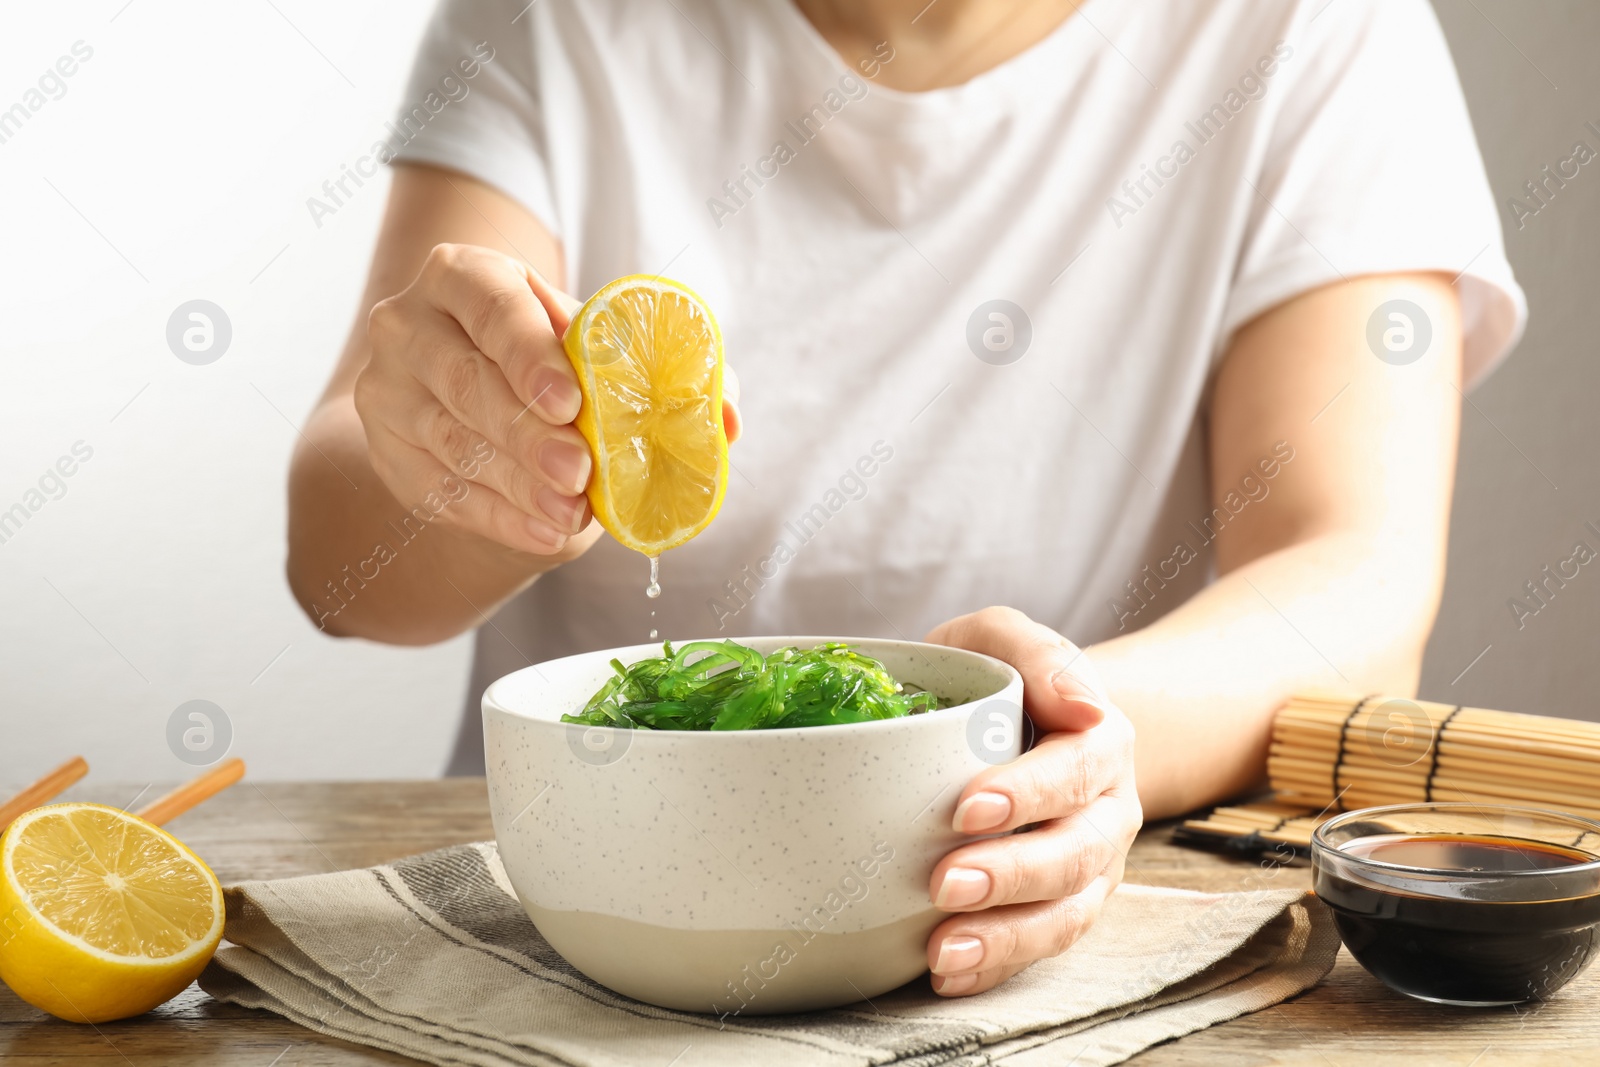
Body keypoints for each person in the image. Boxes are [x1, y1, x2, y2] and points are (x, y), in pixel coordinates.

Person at [286, 0, 1523, 998]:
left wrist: (1058, 727)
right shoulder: (551, 22)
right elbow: (342, 572)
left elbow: (1355, 569)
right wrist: (466, 459)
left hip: (1026, 899)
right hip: (590, 914)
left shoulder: (1312, 30)